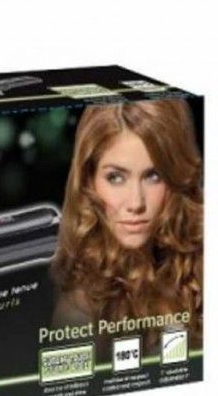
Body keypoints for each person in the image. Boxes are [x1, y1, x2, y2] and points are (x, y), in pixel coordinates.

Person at [52, 98, 202, 355]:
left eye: (153, 176)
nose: (136, 203)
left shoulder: (198, 264)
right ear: (89, 181)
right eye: (116, 177)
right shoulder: (80, 312)